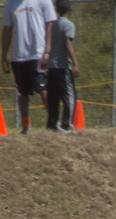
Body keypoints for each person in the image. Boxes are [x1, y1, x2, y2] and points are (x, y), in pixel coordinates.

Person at [1, 0, 56, 135]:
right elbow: (7, 29)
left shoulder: (43, 1)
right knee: (22, 92)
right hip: (18, 57)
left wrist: (47, 51)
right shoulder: (10, 4)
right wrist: (3, 55)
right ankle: (26, 126)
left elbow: (50, 25)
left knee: (42, 87)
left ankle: (53, 123)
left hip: (38, 54)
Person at [46, 0, 79, 133]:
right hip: (63, 66)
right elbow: (68, 45)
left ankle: (52, 124)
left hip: (51, 66)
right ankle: (66, 124)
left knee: (53, 97)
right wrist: (75, 63)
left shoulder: (51, 24)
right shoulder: (69, 25)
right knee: (69, 96)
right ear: (69, 9)